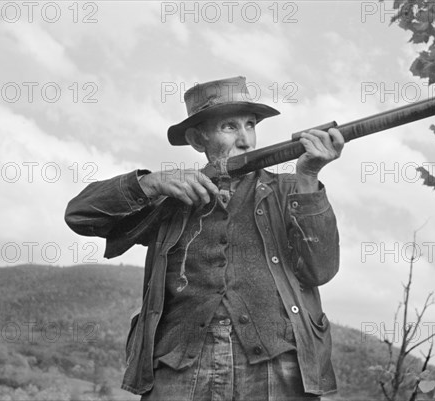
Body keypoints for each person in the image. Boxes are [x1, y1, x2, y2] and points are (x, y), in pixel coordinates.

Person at [65, 76, 344, 400]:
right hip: (178, 366)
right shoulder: (170, 196)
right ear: (199, 139)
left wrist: (308, 177)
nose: (245, 140)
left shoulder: (289, 190)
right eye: (229, 126)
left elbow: (320, 271)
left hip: (275, 368)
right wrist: (149, 184)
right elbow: (80, 216)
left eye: (250, 125)